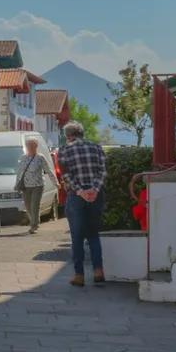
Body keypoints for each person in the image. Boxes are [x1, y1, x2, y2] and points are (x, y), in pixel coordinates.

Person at [56, 120, 107, 286]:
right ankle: (98, 270)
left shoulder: (64, 150)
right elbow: (103, 171)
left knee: (77, 236)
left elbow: (66, 176)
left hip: (77, 196)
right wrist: (94, 189)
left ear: (69, 136)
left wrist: (80, 191)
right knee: (93, 233)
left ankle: (79, 275)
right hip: (96, 195)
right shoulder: (96, 147)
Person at [17, 136, 58, 235]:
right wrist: (17, 183)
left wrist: (55, 182)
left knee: (35, 204)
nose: (30, 147)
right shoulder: (23, 158)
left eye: (32, 145)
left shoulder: (40, 158)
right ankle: (34, 221)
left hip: (38, 185)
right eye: (28, 145)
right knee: (28, 205)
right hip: (26, 185)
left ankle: (34, 225)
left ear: (36, 146)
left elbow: (48, 170)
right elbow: (20, 172)